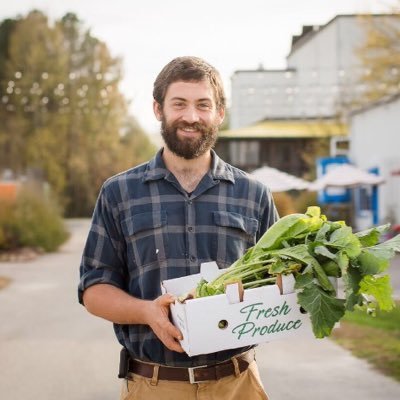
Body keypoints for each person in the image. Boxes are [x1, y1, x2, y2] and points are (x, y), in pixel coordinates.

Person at [78, 56, 278, 400]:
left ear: (219, 113)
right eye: (179, 104)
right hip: (153, 385)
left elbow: (280, 279)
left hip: (237, 385)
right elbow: (93, 290)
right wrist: (146, 312)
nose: (191, 116)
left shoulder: (253, 194)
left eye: (203, 105)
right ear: (158, 109)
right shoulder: (119, 192)